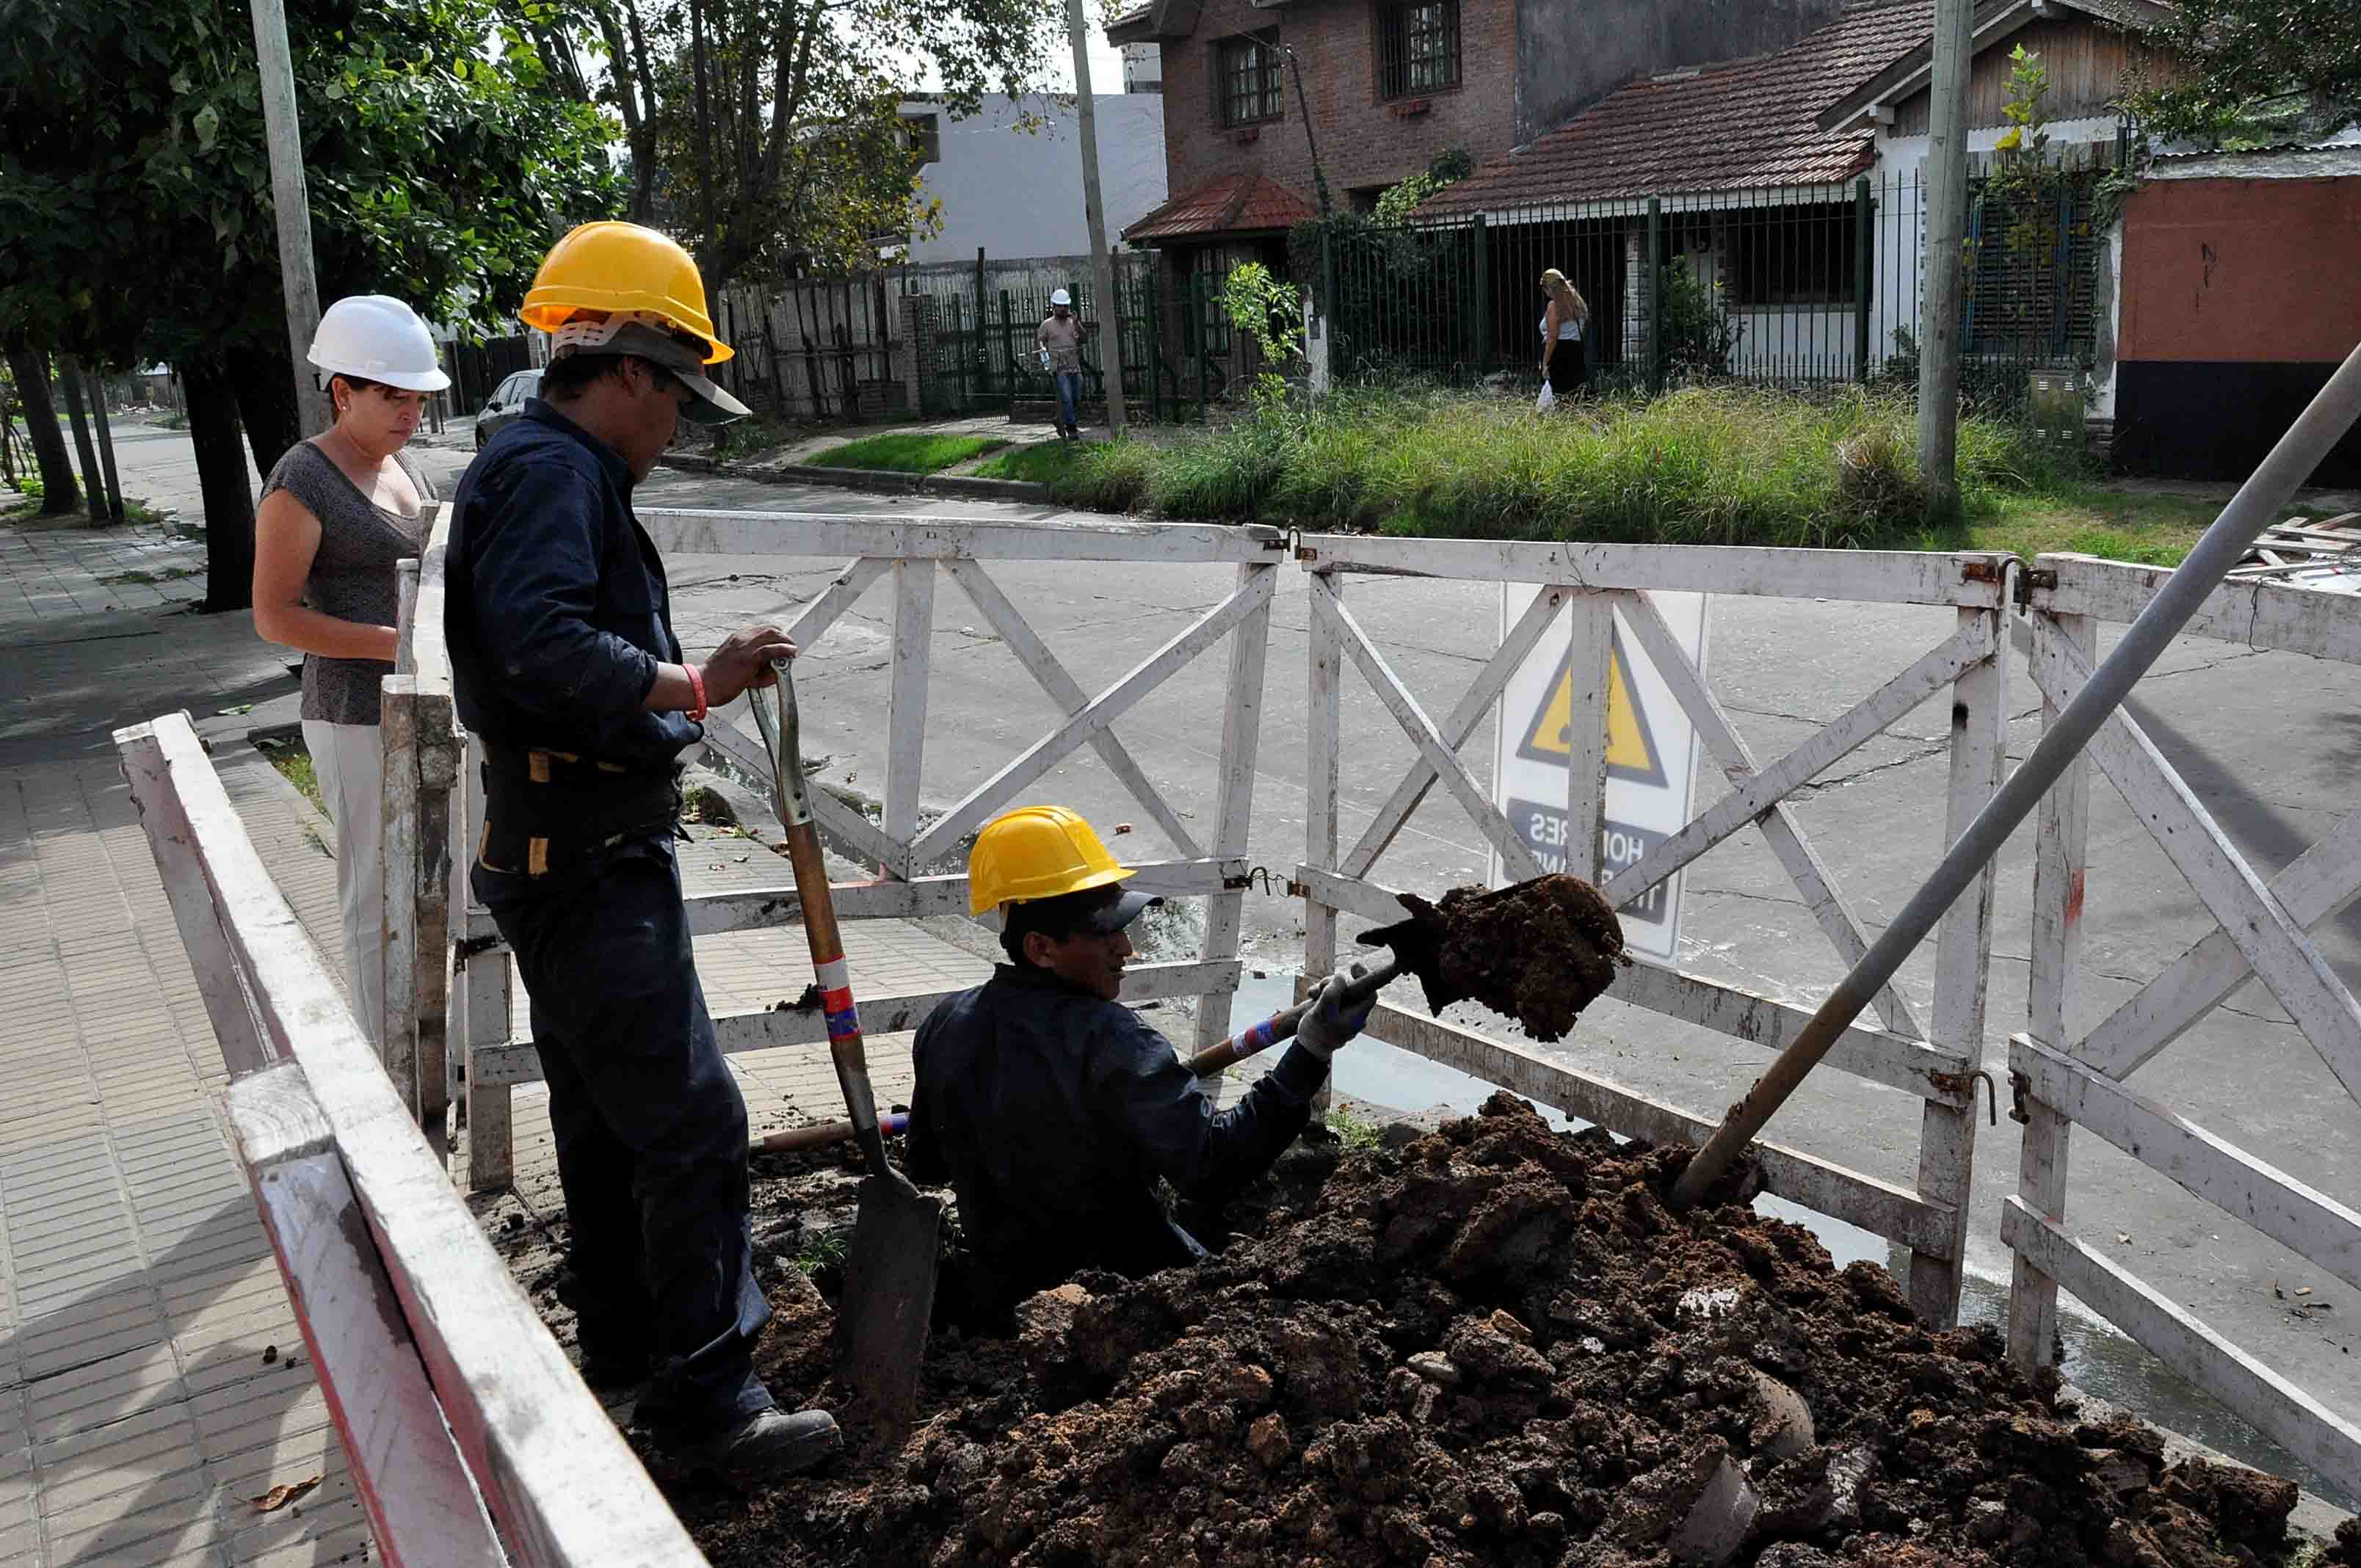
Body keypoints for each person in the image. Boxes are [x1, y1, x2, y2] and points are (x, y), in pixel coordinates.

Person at [443, 219, 839, 1478]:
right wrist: (693, 680)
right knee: (693, 1124)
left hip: (565, 842)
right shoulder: (554, 473)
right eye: (673, 393)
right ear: (618, 362)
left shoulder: (544, 467)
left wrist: (673, 683)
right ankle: (709, 1408)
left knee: (610, 1118)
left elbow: (550, 639)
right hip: (584, 857)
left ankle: (621, 1350)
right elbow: (541, 645)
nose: (677, 422)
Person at [904, 805, 1371, 1315]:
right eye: (1105, 932)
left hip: (1000, 1301)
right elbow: (1211, 1167)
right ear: (1041, 948)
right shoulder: (1114, 1041)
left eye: (1124, 926)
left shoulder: (943, 1024)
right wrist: (1311, 1051)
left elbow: (925, 1164)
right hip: (1125, 1306)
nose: (1126, 947)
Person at [253, 295, 449, 1048]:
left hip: (423, 707)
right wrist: (394, 643)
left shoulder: (407, 469)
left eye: (417, 398)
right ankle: (383, 1070)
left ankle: (438, 1057)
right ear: (343, 392)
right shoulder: (303, 476)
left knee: (437, 889)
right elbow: (273, 616)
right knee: (376, 897)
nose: (410, 413)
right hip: (352, 717)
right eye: (391, 396)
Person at [1037, 288, 1094, 442]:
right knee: (1067, 398)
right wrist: (1043, 351)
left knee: (1076, 398)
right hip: (1059, 368)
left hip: (1075, 367)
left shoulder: (1073, 322)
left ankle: (1059, 418)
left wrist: (1077, 324)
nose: (1063, 309)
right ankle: (1072, 429)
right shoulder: (1047, 325)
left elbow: (1084, 339)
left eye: (1065, 306)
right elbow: (1041, 341)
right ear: (1054, 307)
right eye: (1060, 306)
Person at [1539, 267, 1591, 407]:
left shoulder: (1554, 306)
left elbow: (1552, 337)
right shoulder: (1578, 303)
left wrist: (1545, 363)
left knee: (1557, 399)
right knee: (1576, 396)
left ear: (1549, 288)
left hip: (1558, 355)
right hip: (1576, 352)